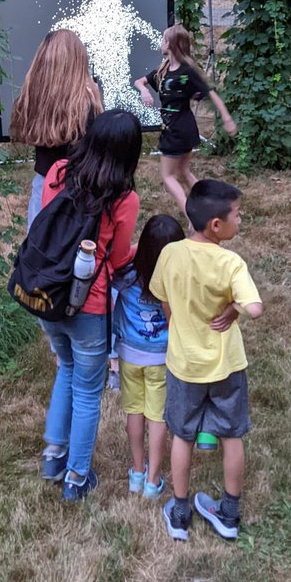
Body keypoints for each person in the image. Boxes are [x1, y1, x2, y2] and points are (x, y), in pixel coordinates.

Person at [149, 179, 263, 542]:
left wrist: (178, 319)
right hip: (226, 365)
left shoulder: (170, 255)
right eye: (238, 215)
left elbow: (162, 298)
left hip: (184, 365)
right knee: (231, 435)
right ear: (217, 225)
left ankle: (180, 513)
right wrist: (233, 310)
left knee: (181, 435)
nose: (241, 220)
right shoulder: (231, 262)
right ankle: (228, 514)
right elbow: (255, 308)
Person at [39, 109, 142, 501]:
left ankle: (54, 456)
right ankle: (77, 478)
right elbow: (115, 261)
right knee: (87, 390)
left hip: (48, 294)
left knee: (66, 368)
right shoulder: (123, 198)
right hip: (88, 306)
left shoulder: (59, 172)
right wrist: (139, 249)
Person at [113, 214, 185, 500]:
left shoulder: (127, 274)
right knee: (158, 416)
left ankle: (137, 472)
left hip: (130, 356)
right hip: (162, 358)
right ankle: (153, 482)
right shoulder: (177, 279)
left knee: (134, 411)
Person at [134, 24, 237, 213]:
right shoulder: (164, 70)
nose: (161, 43)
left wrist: (227, 118)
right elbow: (139, 81)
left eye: (163, 40)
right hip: (181, 128)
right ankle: (210, 206)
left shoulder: (186, 71)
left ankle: (191, 215)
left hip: (178, 130)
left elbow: (211, 93)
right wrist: (144, 91)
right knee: (183, 171)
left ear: (170, 44)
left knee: (168, 176)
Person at [9, 28, 103, 230]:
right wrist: (98, 103)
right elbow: (99, 147)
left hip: (44, 185)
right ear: (78, 61)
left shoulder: (33, 96)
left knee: (38, 251)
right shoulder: (86, 102)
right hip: (77, 190)